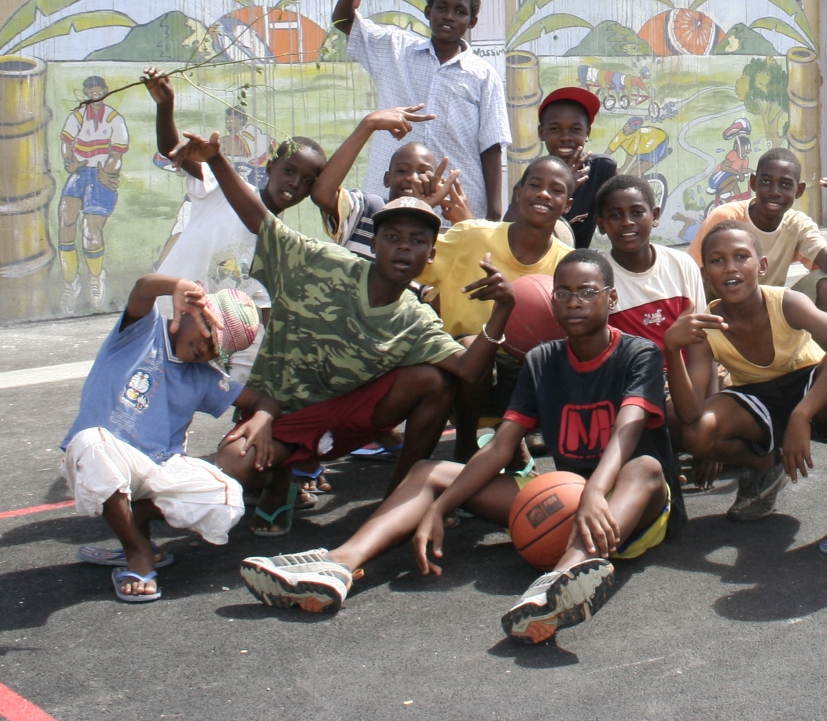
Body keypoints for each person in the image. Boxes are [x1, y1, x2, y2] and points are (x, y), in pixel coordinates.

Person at [239, 251, 683, 642]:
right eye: (562, 293)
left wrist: (594, 493)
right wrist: (442, 505)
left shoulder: (639, 354)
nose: (574, 301)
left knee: (644, 465)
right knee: (427, 473)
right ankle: (337, 566)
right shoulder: (543, 361)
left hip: (630, 507)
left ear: (611, 298)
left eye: (586, 291)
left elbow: (627, 430)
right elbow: (500, 447)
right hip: (565, 499)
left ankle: (560, 583)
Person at [183, 135, 517, 534]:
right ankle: (279, 481)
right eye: (392, 237)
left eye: (417, 241)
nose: (403, 248)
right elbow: (259, 219)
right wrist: (217, 159)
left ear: (431, 255)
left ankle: (401, 496)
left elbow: (468, 370)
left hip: (347, 422)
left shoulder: (415, 318)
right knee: (234, 464)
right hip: (282, 412)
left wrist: (503, 309)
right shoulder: (321, 261)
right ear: (374, 244)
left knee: (434, 380)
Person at [60, 274, 274, 603]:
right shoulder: (144, 331)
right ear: (191, 312)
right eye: (208, 333)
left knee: (227, 499)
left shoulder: (205, 376)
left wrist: (262, 418)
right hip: (101, 454)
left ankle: (135, 520)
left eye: (216, 350)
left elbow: (263, 401)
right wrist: (175, 286)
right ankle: (138, 552)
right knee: (92, 442)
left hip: (158, 466)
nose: (206, 349)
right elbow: (142, 288)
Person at [664, 220, 827, 551]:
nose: (730, 267)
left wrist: (802, 415)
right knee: (697, 433)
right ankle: (764, 463)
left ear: (762, 265)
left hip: (809, 386)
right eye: (717, 260)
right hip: (757, 398)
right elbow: (689, 413)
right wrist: (672, 348)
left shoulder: (786, 303)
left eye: (741, 256)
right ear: (706, 275)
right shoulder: (707, 326)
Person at [141, 69, 335, 380]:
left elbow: (268, 317)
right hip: (159, 318)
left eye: (307, 181)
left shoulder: (281, 247)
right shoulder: (223, 188)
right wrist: (165, 105)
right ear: (269, 167)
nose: (295, 183)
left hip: (198, 345)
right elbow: (171, 149)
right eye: (289, 171)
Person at [420, 156, 576, 457]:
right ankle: (466, 444)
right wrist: (422, 208)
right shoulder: (471, 235)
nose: (544, 194)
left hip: (527, 370)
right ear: (518, 193)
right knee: (471, 346)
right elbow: (414, 264)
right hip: (460, 371)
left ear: (567, 205)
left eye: (556, 190)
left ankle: (515, 440)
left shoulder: (568, 263)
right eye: (535, 185)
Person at [332, 0, 511, 220]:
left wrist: (493, 213)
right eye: (441, 8)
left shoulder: (483, 75)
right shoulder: (395, 49)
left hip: (455, 206)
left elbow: (491, 146)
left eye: (460, 12)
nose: (449, 16)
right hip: (391, 198)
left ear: (472, 22)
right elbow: (343, 22)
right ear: (428, 12)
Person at [687, 148, 827, 314]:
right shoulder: (727, 217)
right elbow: (691, 274)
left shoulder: (797, 224)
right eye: (766, 182)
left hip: (769, 311)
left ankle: (823, 334)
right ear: (753, 183)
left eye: (785, 185)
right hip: (724, 310)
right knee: (700, 283)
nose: (775, 192)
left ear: (799, 190)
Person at [311, 108, 477, 260]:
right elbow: (322, 194)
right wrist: (369, 124)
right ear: (387, 179)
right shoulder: (366, 210)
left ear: (437, 184)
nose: (412, 178)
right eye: (402, 170)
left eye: (423, 173)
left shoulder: (433, 240)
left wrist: (469, 226)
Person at [596, 174, 706, 348]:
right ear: (601, 224)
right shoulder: (598, 277)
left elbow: (702, 338)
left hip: (687, 365)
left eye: (637, 213)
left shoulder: (682, 264)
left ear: (655, 215)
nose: (627, 222)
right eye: (615, 215)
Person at [505, 87, 616, 249]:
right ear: (542, 132)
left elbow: (625, 206)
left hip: (579, 262)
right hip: (539, 259)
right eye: (555, 129)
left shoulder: (602, 169)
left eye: (575, 129)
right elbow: (507, 232)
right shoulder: (532, 181)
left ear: (587, 133)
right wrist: (566, 186)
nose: (565, 137)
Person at [57, 75, 129, 308]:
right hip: (80, 173)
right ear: (86, 93)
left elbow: (117, 154)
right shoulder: (77, 116)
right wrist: (70, 160)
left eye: (99, 92)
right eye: (91, 93)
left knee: (90, 232)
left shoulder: (114, 119)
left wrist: (107, 172)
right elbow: (66, 142)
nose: (95, 96)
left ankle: (96, 277)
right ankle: (71, 283)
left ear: (105, 91)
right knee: (66, 219)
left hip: (100, 176)